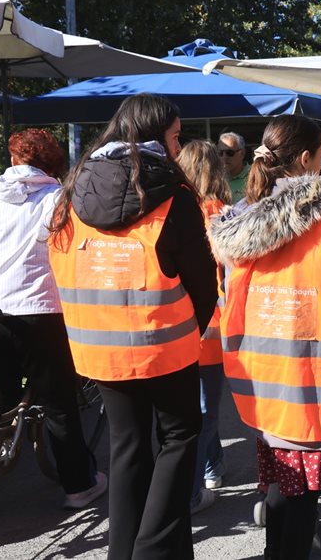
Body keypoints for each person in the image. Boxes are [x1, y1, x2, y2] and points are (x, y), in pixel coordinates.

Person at [49, 94, 218, 560]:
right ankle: (154, 550)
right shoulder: (174, 198)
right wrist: (191, 325)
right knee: (180, 437)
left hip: (99, 349)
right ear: (155, 135)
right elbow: (204, 283)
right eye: (176, 136)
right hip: (166, 345)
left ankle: (124, 551)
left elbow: (59, 261)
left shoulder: (72, 192)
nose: (179, 147)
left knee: (127, 448)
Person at [209, 115, 321, 560]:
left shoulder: (235, 230)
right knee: (302, 496)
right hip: (313, 388)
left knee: (284, 488)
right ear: (306, 159)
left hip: (260, 386)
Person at [0, 128, 107, 509]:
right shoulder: (59, 199)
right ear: (52, 165)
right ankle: (79, 485)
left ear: (15, 160)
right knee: (58, 401)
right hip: (41, 308)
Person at [178, 140, 233, 513]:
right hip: (214, 325)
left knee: (196, 408)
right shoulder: (223, 215)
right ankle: (197, 486)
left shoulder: (169, 212)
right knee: (205, 411)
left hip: (175, 325)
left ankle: (212, 469)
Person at [219, 131, 249, 202]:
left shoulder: (255, 175)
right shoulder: (216, 179)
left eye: (229, 153)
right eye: (220, 153)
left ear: (242, 153)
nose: (224, 157)